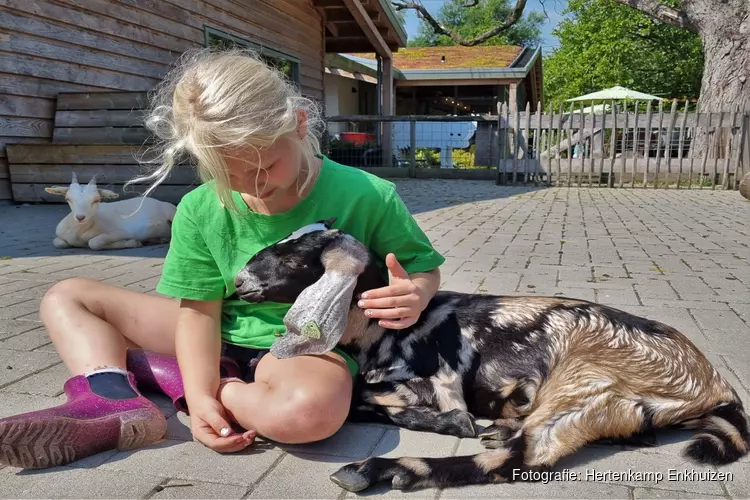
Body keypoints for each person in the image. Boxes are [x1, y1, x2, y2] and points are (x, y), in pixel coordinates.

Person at [0, 48, 445, 468]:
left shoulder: (367, 194)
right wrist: (199, 396)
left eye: (264, 167)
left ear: (300, 124)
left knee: (307, 417)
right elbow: (198, 313)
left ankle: (182, 378)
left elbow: (422, 266)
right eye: (224, 172)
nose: (249, 185)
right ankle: (112, 396)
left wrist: (416, 293)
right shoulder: (199, 207)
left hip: (300, 343)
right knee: (67, 296)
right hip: (210, 327)